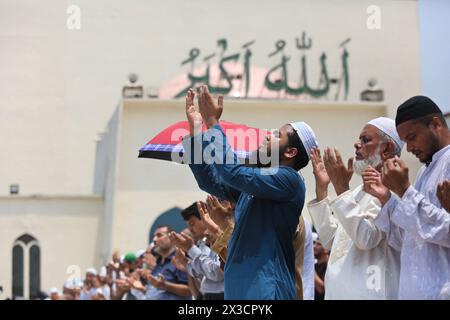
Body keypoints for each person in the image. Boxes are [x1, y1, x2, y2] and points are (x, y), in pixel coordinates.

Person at [182, 85, 318, 299]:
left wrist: (213, 123)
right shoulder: (258, 182)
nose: (268, 136)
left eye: (277, 135)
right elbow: (210, 181)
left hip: (266, 288)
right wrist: (196, 131)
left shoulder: (289, 180)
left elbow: (231, 172)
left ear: (290, 152)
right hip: (239, 289)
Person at [362, 96, 450, 299]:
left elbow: (445, 230)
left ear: (435, 124)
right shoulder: (424, 172)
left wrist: (404, 191)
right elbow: (406, 238)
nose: (409, 148)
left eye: (412, 137)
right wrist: (387, 200)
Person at [308, 117, 403, 299]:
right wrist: (322, 189)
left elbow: (366, 238)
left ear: (387, 148)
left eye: (366, 140)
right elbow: (331, 241)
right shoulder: (360, 191)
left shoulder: (393, 191)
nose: (356, 144)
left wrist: (342, 188)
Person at [169, 202, 225, 300]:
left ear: (205, 218)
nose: (190, 229)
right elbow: (202, 273)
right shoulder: (203, 242)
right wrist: (187, 264)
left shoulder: (222, 237)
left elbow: (216, 273)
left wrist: (190, 248)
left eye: (192, 224)